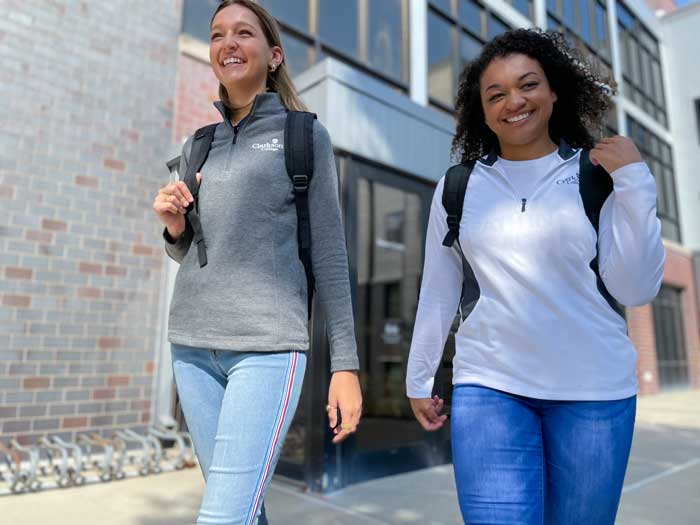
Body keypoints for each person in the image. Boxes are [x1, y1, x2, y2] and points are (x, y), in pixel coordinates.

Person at [406, 29, 665, 525]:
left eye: (528, 85)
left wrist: (634, 181)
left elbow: (636, 288)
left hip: (593, 393)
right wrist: (420, 377)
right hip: (491, 387)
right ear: (480, 111)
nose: (514, 102)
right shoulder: (458, 187)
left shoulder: (597, 175)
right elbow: (439, 290)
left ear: (554, 92)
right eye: (496, 94)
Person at [151, 2, 362, 523]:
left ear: (273, 55)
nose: (228, 42)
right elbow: (191, 249)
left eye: (243, 32)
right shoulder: (197, 144)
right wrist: (174, 226)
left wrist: (346, 365)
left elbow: (331, 259)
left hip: (267, 350)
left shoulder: (302, 136)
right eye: (218, 33)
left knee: (223, 516)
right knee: (246, 508)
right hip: (193, 348)